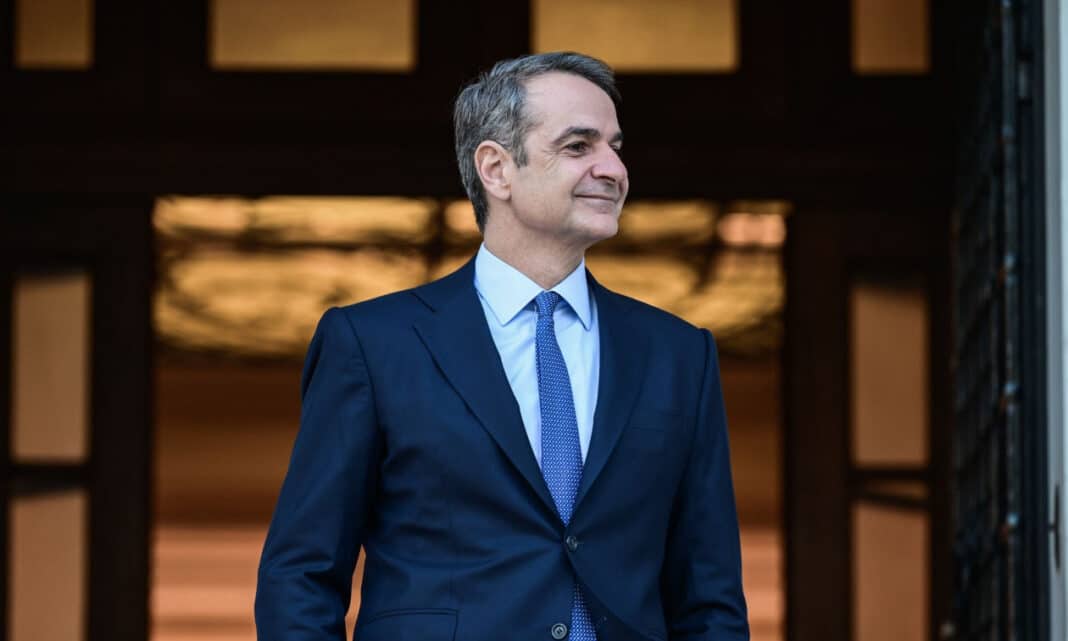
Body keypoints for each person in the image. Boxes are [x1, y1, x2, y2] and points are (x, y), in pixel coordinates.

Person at [255, 51, 749, 641]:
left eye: (616, 147)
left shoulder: (679, 355)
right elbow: (301, 576)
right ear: (496, 168)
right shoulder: (373, 344)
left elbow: (710, 598)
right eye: (578, 146)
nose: (614, 169)